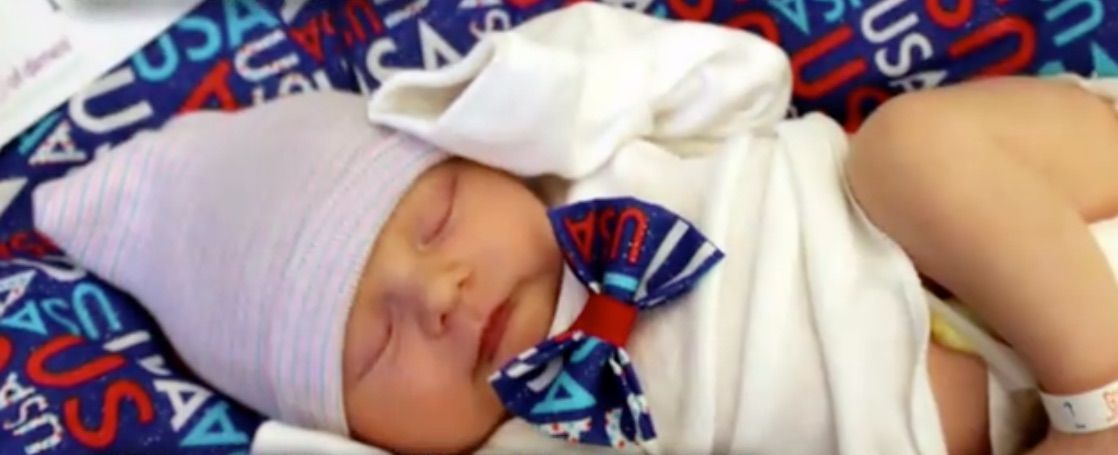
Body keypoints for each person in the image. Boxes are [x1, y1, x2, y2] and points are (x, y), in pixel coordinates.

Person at [30, 4, 1118, 454]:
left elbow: (746, 77)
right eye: (374, 346)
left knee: (909, 153)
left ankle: (1095, 381)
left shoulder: (587, 156)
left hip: (1033, 210)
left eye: (437, 213)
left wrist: (507, 93)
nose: (440, 291)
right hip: (985, 411)